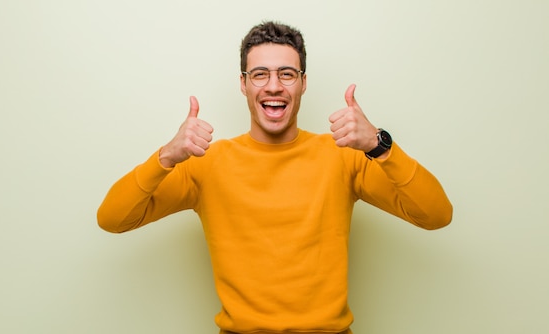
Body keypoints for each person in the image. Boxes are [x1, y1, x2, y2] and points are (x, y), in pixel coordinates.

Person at [97, 21, 453, 334]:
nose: (273, 86)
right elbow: (113, 219)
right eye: (259, 74)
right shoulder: (205, 163)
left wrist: (379, 145)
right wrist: (165, 157)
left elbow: (436, 215)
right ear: (243, 84)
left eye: (286, 74)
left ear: (302, 83)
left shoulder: (344, 157)